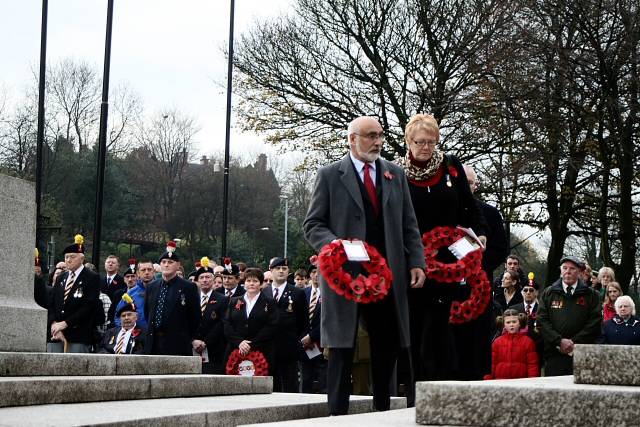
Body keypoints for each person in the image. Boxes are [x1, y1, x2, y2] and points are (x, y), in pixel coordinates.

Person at [303, 116, 426, 414]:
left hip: (386, 279)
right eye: (371, 135)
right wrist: (336, 247)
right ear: (351, 138)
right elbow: (313, 224)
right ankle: (337, 416)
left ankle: (384, 415)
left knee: (387, 349)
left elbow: (409, 224)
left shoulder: (395, 174)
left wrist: (416, 262)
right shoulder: (330, 175)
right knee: (342, 351)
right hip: (346, 278)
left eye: (380, 135)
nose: (378, 141)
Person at [398, 114, 487, 386]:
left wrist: (480, 232)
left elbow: (468, 206)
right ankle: (412, 384)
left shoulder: (451, 167)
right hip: (410, 259)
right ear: (408, 142)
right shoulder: (395, 171)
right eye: (420, 142)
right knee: (414, 325)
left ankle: (439, 382)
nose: (426, 147)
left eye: (432, 142)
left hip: (447, 259)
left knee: (438, 325)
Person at [537, 256, 601, 375]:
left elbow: (595, 322)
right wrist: (559, 341)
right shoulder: (549, 293)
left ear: (580, 272)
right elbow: (542, 320)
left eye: (572, 268)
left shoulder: (591, 295)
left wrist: (574, 342)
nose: (568, 271)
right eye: (565, 268)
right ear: (560, 270)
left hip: (582, 354)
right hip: (554, 354)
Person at [144, 242, 201, 355]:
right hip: (154, 341)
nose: (166, 265)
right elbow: (147, 312)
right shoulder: (152, 286)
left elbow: (195, 316)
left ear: (178, 265)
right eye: (163, 262)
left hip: (177, 342)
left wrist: (191, 337)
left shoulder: (188, 287)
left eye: (170, 262)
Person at [47, 235, 100, 353]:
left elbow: (89, 306)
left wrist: (66, 323)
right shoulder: (61, 277)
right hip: (56, 334)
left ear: (82, 258)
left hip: (77, 336)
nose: (68, 260)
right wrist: (54, 324)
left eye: (72, 257)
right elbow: (51, 303)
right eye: (66, 257)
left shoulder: (92, 277)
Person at [263, 257, 308, 393]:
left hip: (289, 346)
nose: (281, 271)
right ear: (271, 270)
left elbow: (303, 320)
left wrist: (297, 340)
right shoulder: (264, 292)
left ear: (289, 271)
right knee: (271, 383)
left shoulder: (297, 293)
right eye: (277, 268)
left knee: (290, 383)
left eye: (284, 269)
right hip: (268, 346)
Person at [224, 267, 279, 373]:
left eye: (255, 281)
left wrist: (251, 344)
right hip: (236, 349)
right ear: (244, 283)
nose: (251, 283)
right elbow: (227, 324)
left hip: (261, 350)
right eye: (248, 281)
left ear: (261, 284)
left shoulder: (269, 302)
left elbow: (271, 326)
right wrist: (240, 342)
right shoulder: (234, 301)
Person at [193, 257, 229, 374]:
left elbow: (221, 324)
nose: (204, 280)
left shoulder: (222, 300)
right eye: (201, 278)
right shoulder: (192, 299)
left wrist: (206, 342)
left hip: (214, 348)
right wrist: (193, 340)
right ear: (197, 281)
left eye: (208, 277)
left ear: (213, 280)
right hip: (193, 347)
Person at [483, 309, 539, 379]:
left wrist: (532, 381)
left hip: (521, 382)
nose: (511, 325)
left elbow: (532, 365)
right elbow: (492, 363)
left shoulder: (528, 342)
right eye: (508, 322)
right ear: (504, 325)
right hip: (501, 382)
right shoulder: (497, 342)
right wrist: (488, 379)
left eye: (514, 322)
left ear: (519, 323)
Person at [300, 263, 327, 393]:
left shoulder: (329, 294)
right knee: (305, 379)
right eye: (314, 272)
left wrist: (312, 336)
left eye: (320, 271)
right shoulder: (302, 293)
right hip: (304, 343)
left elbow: (328, 319)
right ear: (310, 275)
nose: (317, 275)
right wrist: (304, 337)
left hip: (322, 342)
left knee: (324, 380)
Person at [512, 275, 543, 364]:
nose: (528, 292)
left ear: (536, 293)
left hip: (536, 352)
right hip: (516, 352)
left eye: (531, 290)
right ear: (522, 293)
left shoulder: (542, 310)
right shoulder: (513, 309)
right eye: (525, 290)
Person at [112, 259, 148, 330]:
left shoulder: (152, 289)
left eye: (133, 276)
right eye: (127, 277)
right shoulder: (122, 294)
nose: (130, 279)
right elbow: (117, 315)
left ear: (138, 276)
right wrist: (123, 330)